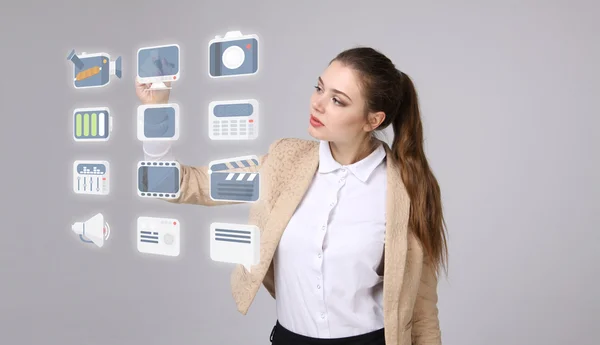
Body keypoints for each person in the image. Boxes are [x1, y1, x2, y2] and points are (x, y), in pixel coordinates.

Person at [136, 46, 448, 345]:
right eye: (319, 88)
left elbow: (421, 310)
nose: (318, 104)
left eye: (338, 100)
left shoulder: (407, 189)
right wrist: (156, 110)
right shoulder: (284, 162)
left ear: (373, 120)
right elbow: (186, 184)